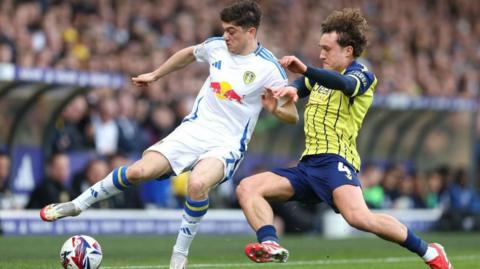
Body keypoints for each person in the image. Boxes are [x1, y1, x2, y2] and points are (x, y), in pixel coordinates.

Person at [39, 1, 298, 268]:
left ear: (251, 32)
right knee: (137, 171)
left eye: (232, 31)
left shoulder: (270, 68)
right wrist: (155, 74)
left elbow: (292, 115)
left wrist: (276, 110)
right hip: (192, 130)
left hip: (227, 144)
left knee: (197, 184)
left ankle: (180, 254)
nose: (226, 36)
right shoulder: (216, 46)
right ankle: (77, 205)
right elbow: (188, 54)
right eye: (224, 30)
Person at [236, 8, 453, 269]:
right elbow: (297, 88)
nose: (321, 54)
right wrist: (283, 95)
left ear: (348, 51)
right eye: (320, 48)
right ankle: (270, 243)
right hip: (308, 167)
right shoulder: (316, 78)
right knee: (248, 188)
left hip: (336, 163)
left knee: (359, 218)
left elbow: (344, 85)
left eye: (327, 49)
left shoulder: (363, 75)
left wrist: (306, 70)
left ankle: (430, 252)